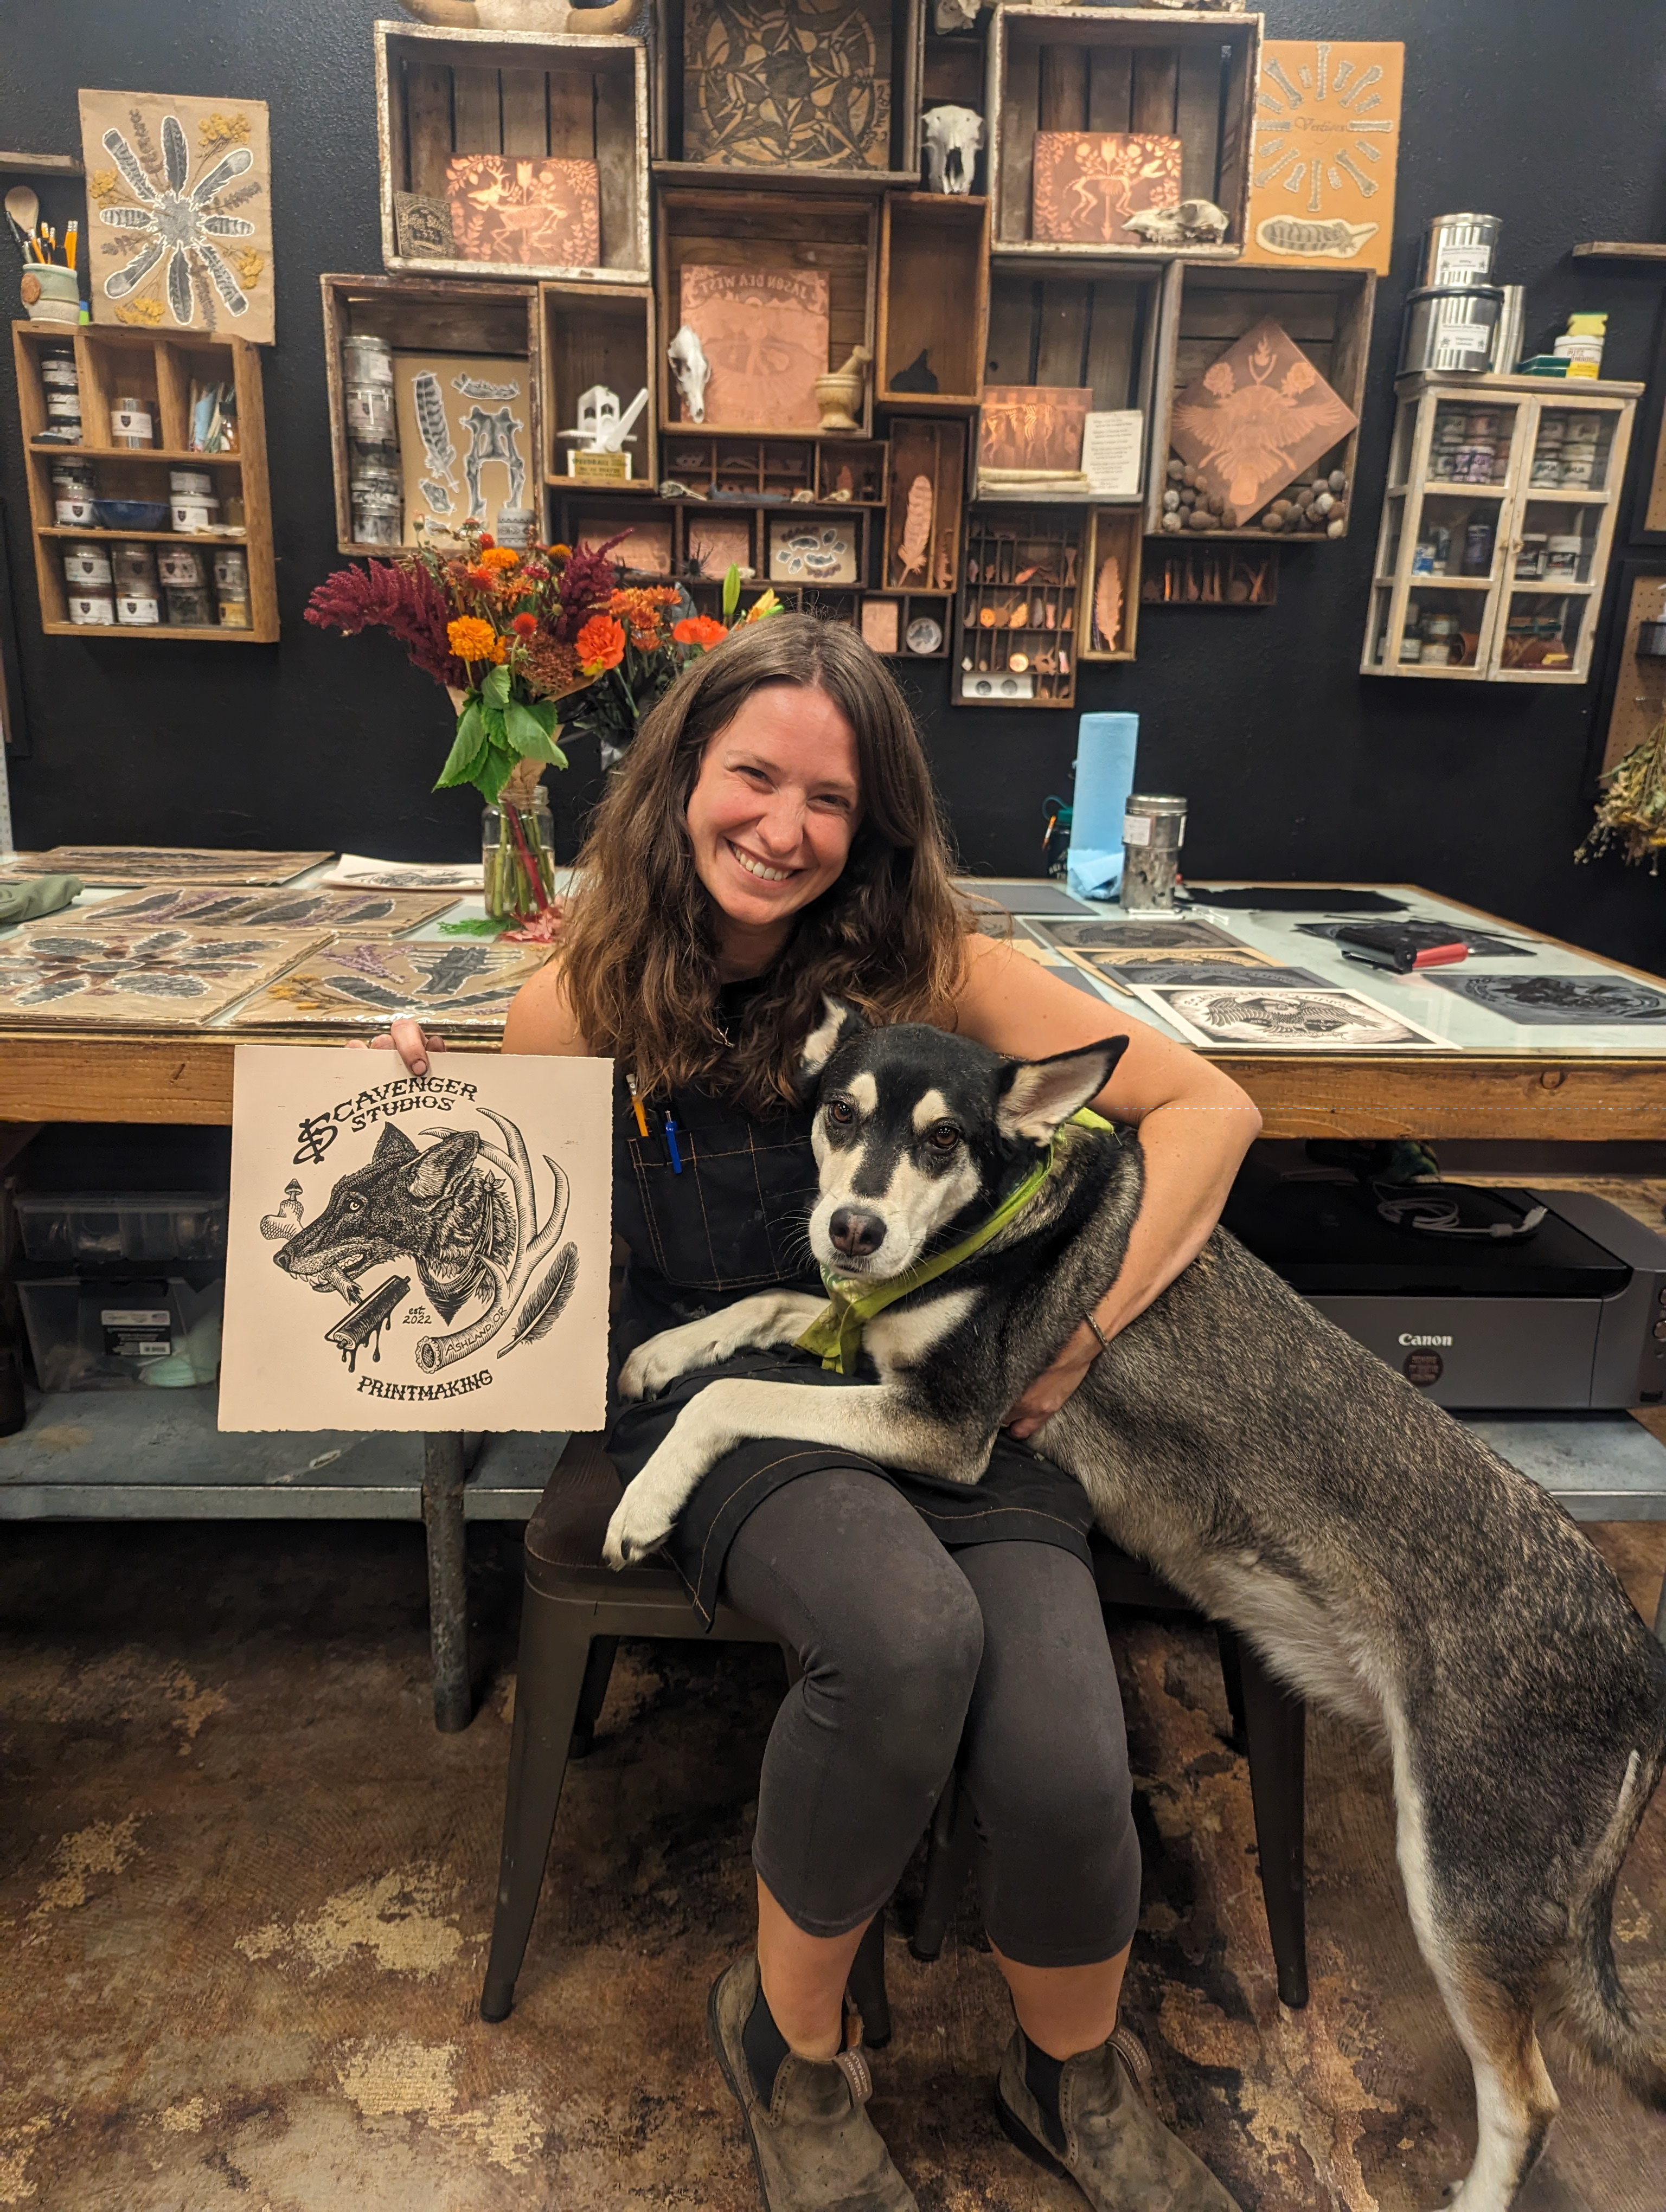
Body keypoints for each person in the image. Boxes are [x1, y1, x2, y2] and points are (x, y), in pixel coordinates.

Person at [371, 615, 1260, 2212]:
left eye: (829, 799)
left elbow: (1212, 1103)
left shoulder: (939, 970)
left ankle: (1070, 2075)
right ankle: (789, 2048)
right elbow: (504, 1245)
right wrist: (415, 1113)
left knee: (1068, 1744)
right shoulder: (572, 1000)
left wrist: (1080, 1339)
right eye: (752, 776)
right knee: (909, 1641)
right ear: (680, 782)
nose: (784, 827)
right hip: (722, 1396)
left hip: (955, 1397)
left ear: (875, 825)